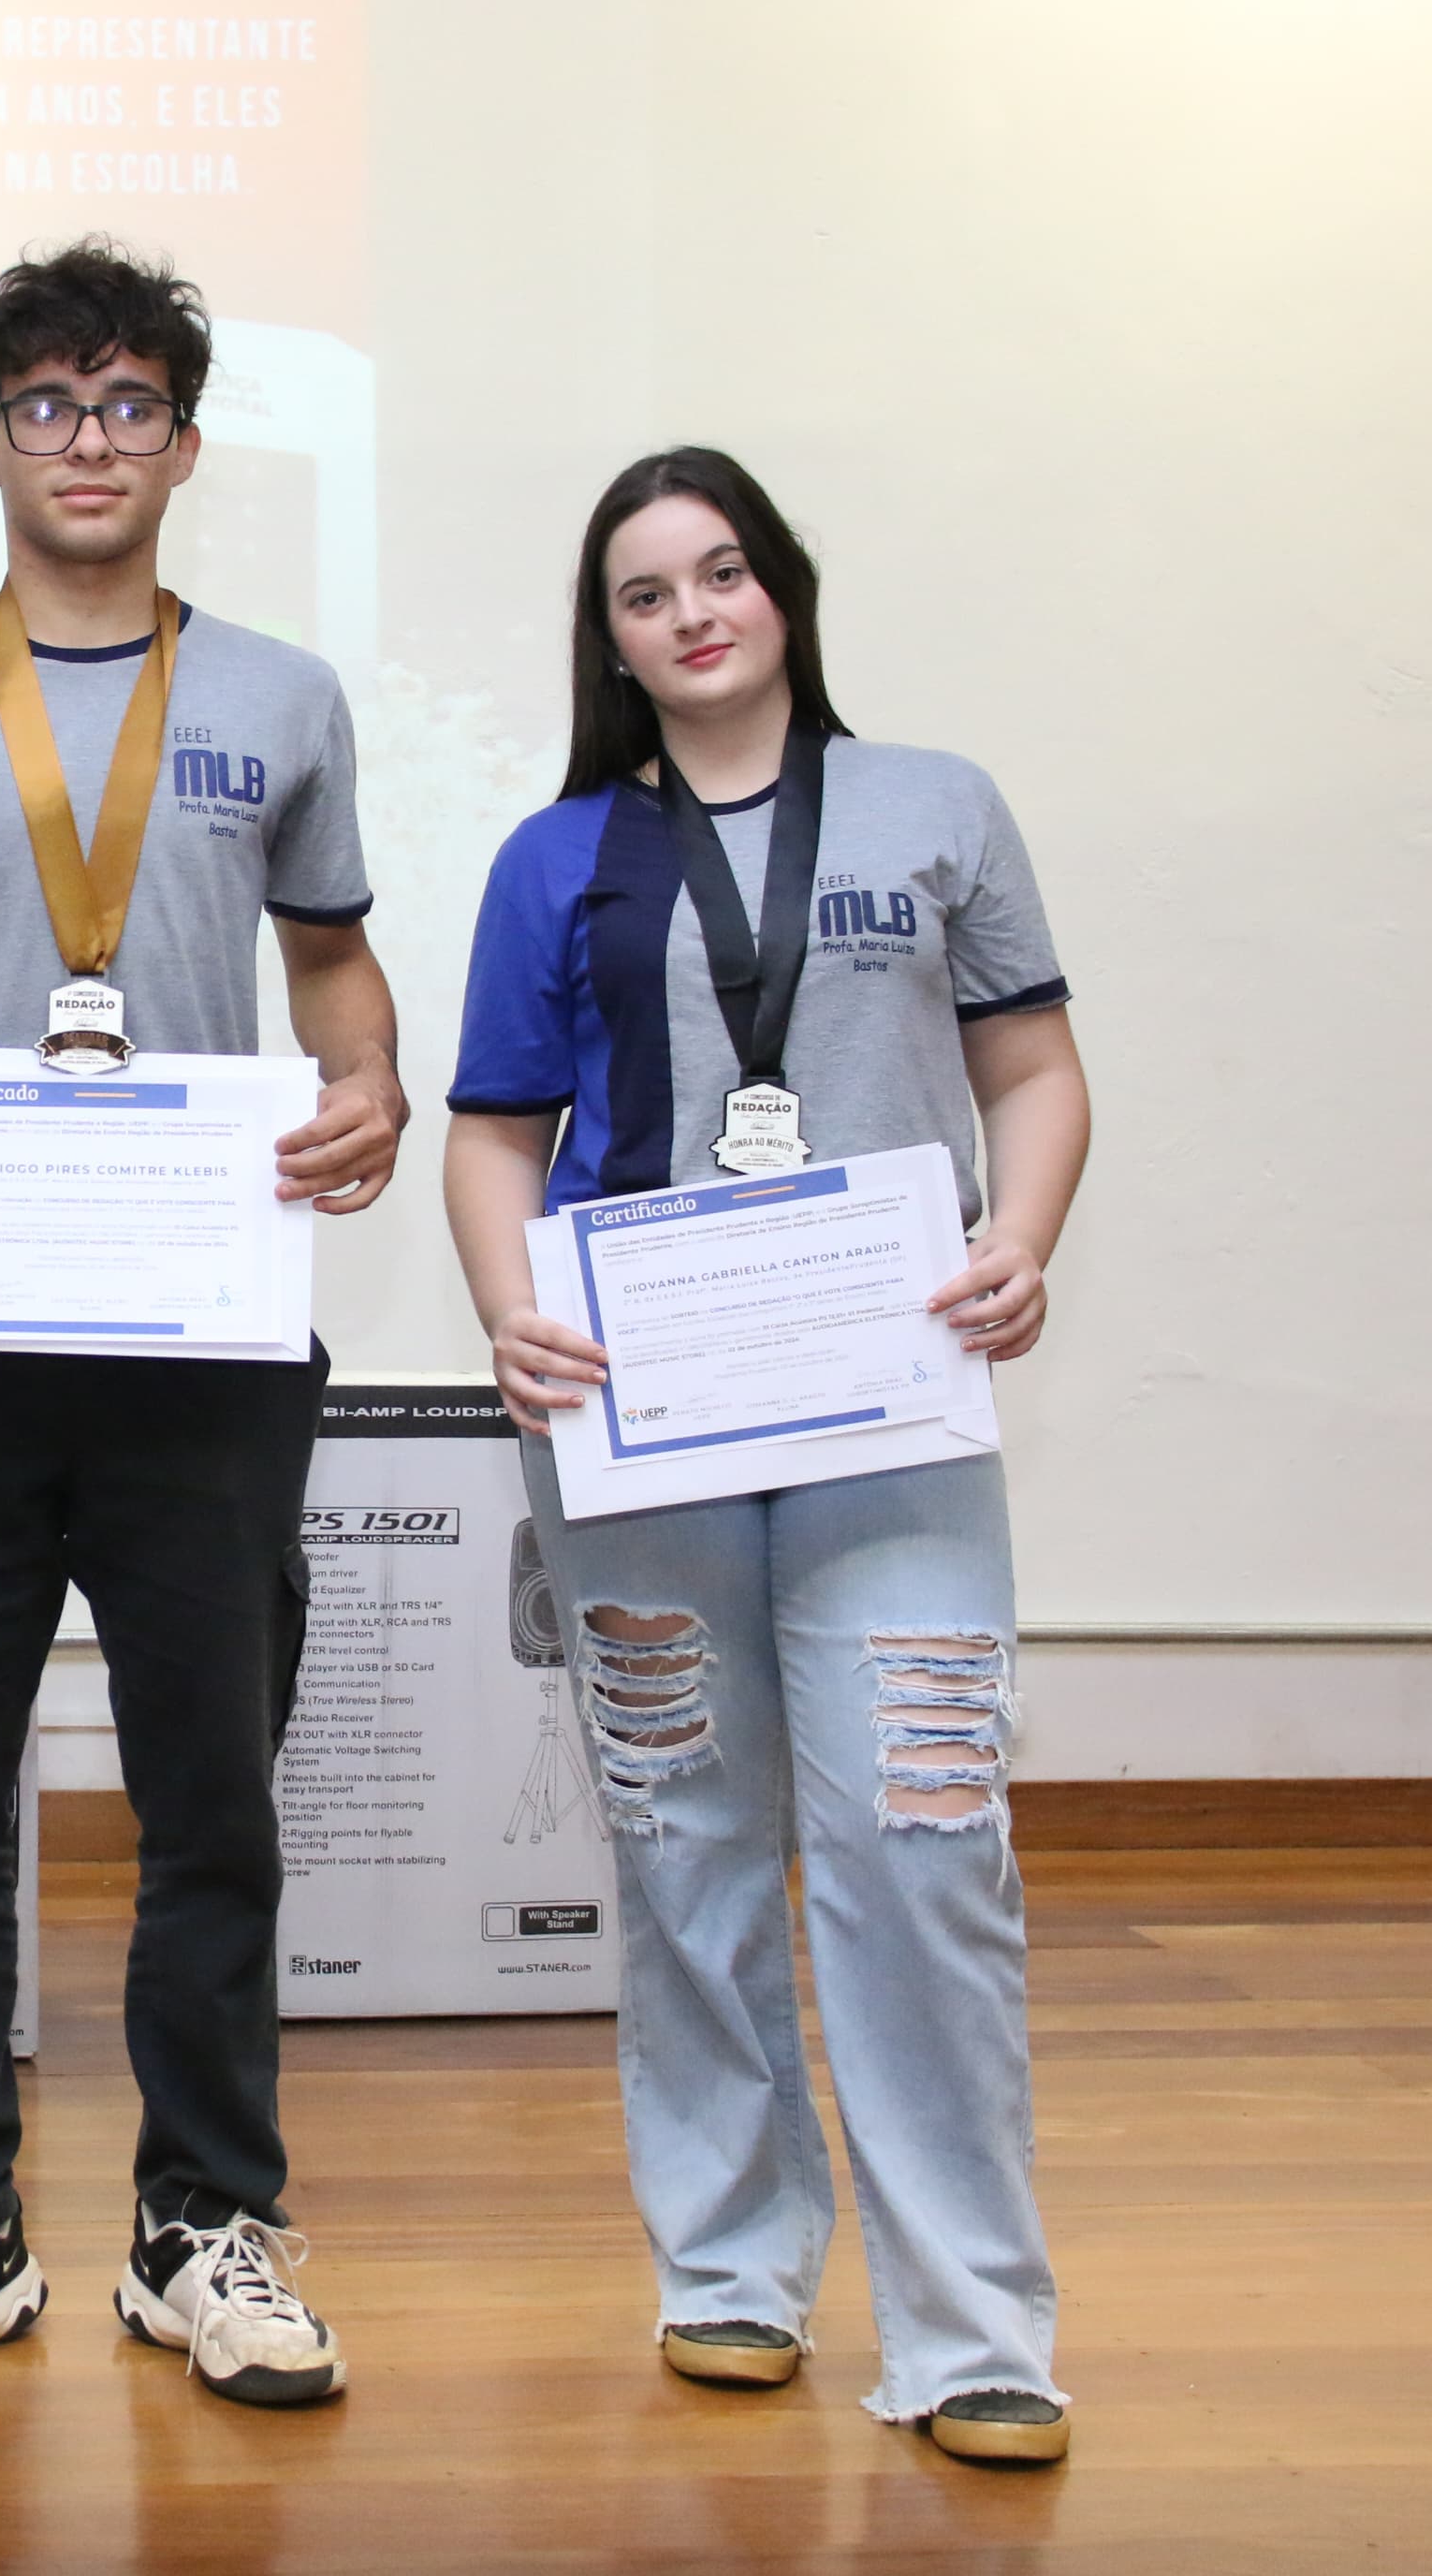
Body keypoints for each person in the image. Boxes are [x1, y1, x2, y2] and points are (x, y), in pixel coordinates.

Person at [0, 239, 403, 2407]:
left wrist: (375, 1083)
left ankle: (203, 2229)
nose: (88, 439)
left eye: (128, 404)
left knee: (212, 1808)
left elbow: (329, 972)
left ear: (188, 447)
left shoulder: (285, 696)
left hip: (204, 1346)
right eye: (46, 403)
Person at [440, 446, 1093, 2466]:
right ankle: (728, 2270)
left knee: (919, 1844)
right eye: (647, 593)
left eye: (722, 571)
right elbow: (490, 1132)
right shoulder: (558, 853)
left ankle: (974, 2325)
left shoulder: (935, 807)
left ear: (783, 590)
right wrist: (504, 1306)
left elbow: (1035, 1069)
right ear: (610, 641)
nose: (692, 612)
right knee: (686, 1847)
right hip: (641, 1420)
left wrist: (1018, 1238)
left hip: (891, 1409)